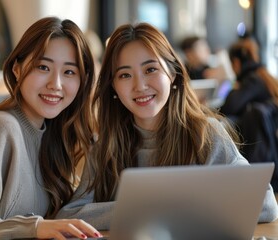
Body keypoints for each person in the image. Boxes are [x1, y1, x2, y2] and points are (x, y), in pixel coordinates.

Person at [55, 22, 278, 230]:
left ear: (172, 74)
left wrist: (153, 211)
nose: (139, 85)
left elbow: (267, 204)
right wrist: (156, 209)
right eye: (124, 75)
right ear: (113, 86)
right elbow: (69, 215)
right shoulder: (106, 145)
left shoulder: (205, 135)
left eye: (150, 69)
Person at [0, 17, 102, 240]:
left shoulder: (55, 135)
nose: (56, 84)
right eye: (43, 67)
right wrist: (34, 228)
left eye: (69, 72)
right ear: (17, 68)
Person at [219, 38, 278, 118]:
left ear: (236, 62)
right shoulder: (262, 74)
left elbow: (229, 108)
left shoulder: (252, 80)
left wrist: (235, 88)